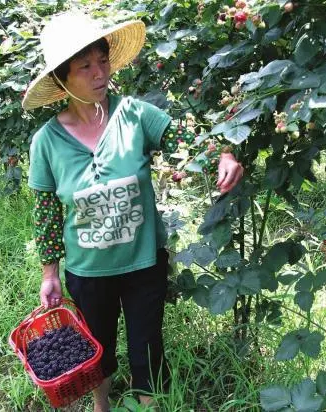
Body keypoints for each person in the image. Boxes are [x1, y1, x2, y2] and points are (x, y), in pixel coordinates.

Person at [21, 12, 243, 411]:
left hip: (143, 263)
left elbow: (188, 140)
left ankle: (149, 405)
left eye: (102, 61)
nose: (99, 73)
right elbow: (47, 213)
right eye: (84, 66)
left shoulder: (136, 115)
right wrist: (50, 273)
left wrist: (223, 155)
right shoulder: (47, 142)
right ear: (61, 79)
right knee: (96, 350)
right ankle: (101, 406)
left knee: (148, 349)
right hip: (88, 271)